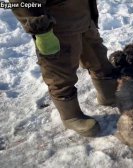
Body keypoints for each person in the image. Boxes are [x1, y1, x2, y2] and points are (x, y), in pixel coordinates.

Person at [9, 0, 117, 137]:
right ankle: (71, 116)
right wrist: (40, 27)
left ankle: (108, 94)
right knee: (59, 70)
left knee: (97, 56)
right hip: (56, 24)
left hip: (83, 14)